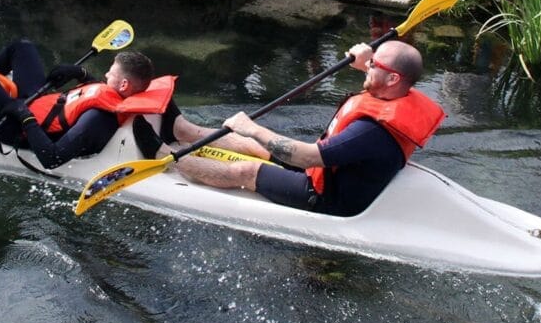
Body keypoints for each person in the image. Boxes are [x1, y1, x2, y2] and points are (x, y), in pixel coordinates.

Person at [152, 40, 443, 218]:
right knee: (258, 147)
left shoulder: (372, 132)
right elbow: (379, 81)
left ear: (392, 78)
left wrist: (250, 127)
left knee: (247, 170)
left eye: (374, 64)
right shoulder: (396, 92)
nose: (368, 66)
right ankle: (185, 132)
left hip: (328, 198)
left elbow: (306, 158)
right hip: (331, 173)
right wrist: (367, 63)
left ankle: (165, 156)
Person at [0, 40, 175, 169]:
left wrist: (24, 117)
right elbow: (85, 95)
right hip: (38, 103)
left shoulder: (98, 119)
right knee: (22, 47)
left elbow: (51, 159)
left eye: (110, 72)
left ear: (124, 86)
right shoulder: (116, 94)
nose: (106, 74)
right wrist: (79, 75)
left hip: (16, 127)